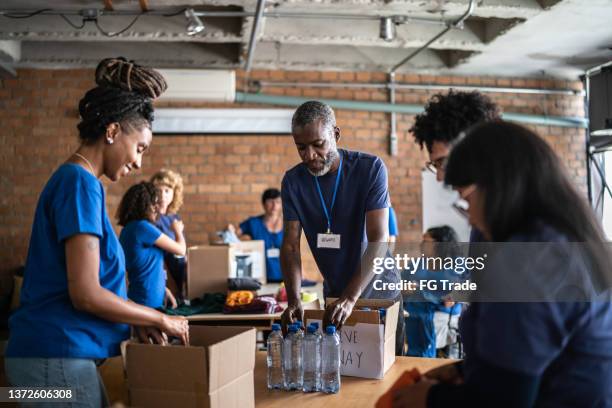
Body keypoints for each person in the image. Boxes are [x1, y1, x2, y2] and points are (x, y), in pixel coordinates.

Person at [4, 57, 189, 407]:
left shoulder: (78, 182)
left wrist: (136, 319)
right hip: (54, 358)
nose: (139, 163)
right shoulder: (80, 184)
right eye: (140, 148)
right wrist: (159, 318)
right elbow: (86, 294)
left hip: (52, 359)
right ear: (113, 131)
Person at [393, 121, 612, 407]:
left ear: (501, 188)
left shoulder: (527, 261)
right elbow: (538, 350)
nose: (470, 218)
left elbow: (505, 399)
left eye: (467, 201)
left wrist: (427, 397)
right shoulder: (563, 237)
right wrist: (462, 370)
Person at [279, 100, 404, 354]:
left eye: (318, 144)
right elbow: (291, 245)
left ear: (335, 134)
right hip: (336, 294)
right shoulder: (294, 182)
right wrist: (294, 299)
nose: (310, 155)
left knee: (389, 372)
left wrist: (350, 298)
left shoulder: (370, 169)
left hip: (378, 292)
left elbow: (379, 239)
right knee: (343, 373)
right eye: (301, 148)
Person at [117, 181, 186, 309]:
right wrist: (178, 231)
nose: (157, 208)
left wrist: (164, 289)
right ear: (142, 205)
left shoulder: (129, 228)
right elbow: (181, 250)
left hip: (144, 297)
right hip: (147, 302)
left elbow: (145, 268)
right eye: (153, 204)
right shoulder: (143, 227)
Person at [403, 226, 462, 358]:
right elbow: (398, 284)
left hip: (440, 312)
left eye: (425, 241)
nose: (421, 244)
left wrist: (455, 295)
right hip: (414, 309)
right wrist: (404, 288)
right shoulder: (415, 264)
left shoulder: (456, 264)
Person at [229, 188, 284, 283]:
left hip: (285, 277)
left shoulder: (289, 224)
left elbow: (294, 250)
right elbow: (232, 236)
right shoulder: (253, 223)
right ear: (264, 204)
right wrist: (230, 230)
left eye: (278, 202)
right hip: (260, 277)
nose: (274, 205)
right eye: (270, 202)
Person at [150, 169, 187, 299]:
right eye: (158, 191)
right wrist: (171, 285)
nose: (162, 196)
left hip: (180, 274)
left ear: (174, 193)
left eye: (167, 191)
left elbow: (181, 250)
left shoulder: (174, 218)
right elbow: (158, 256)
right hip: (165, 279)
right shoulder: (152, 219)